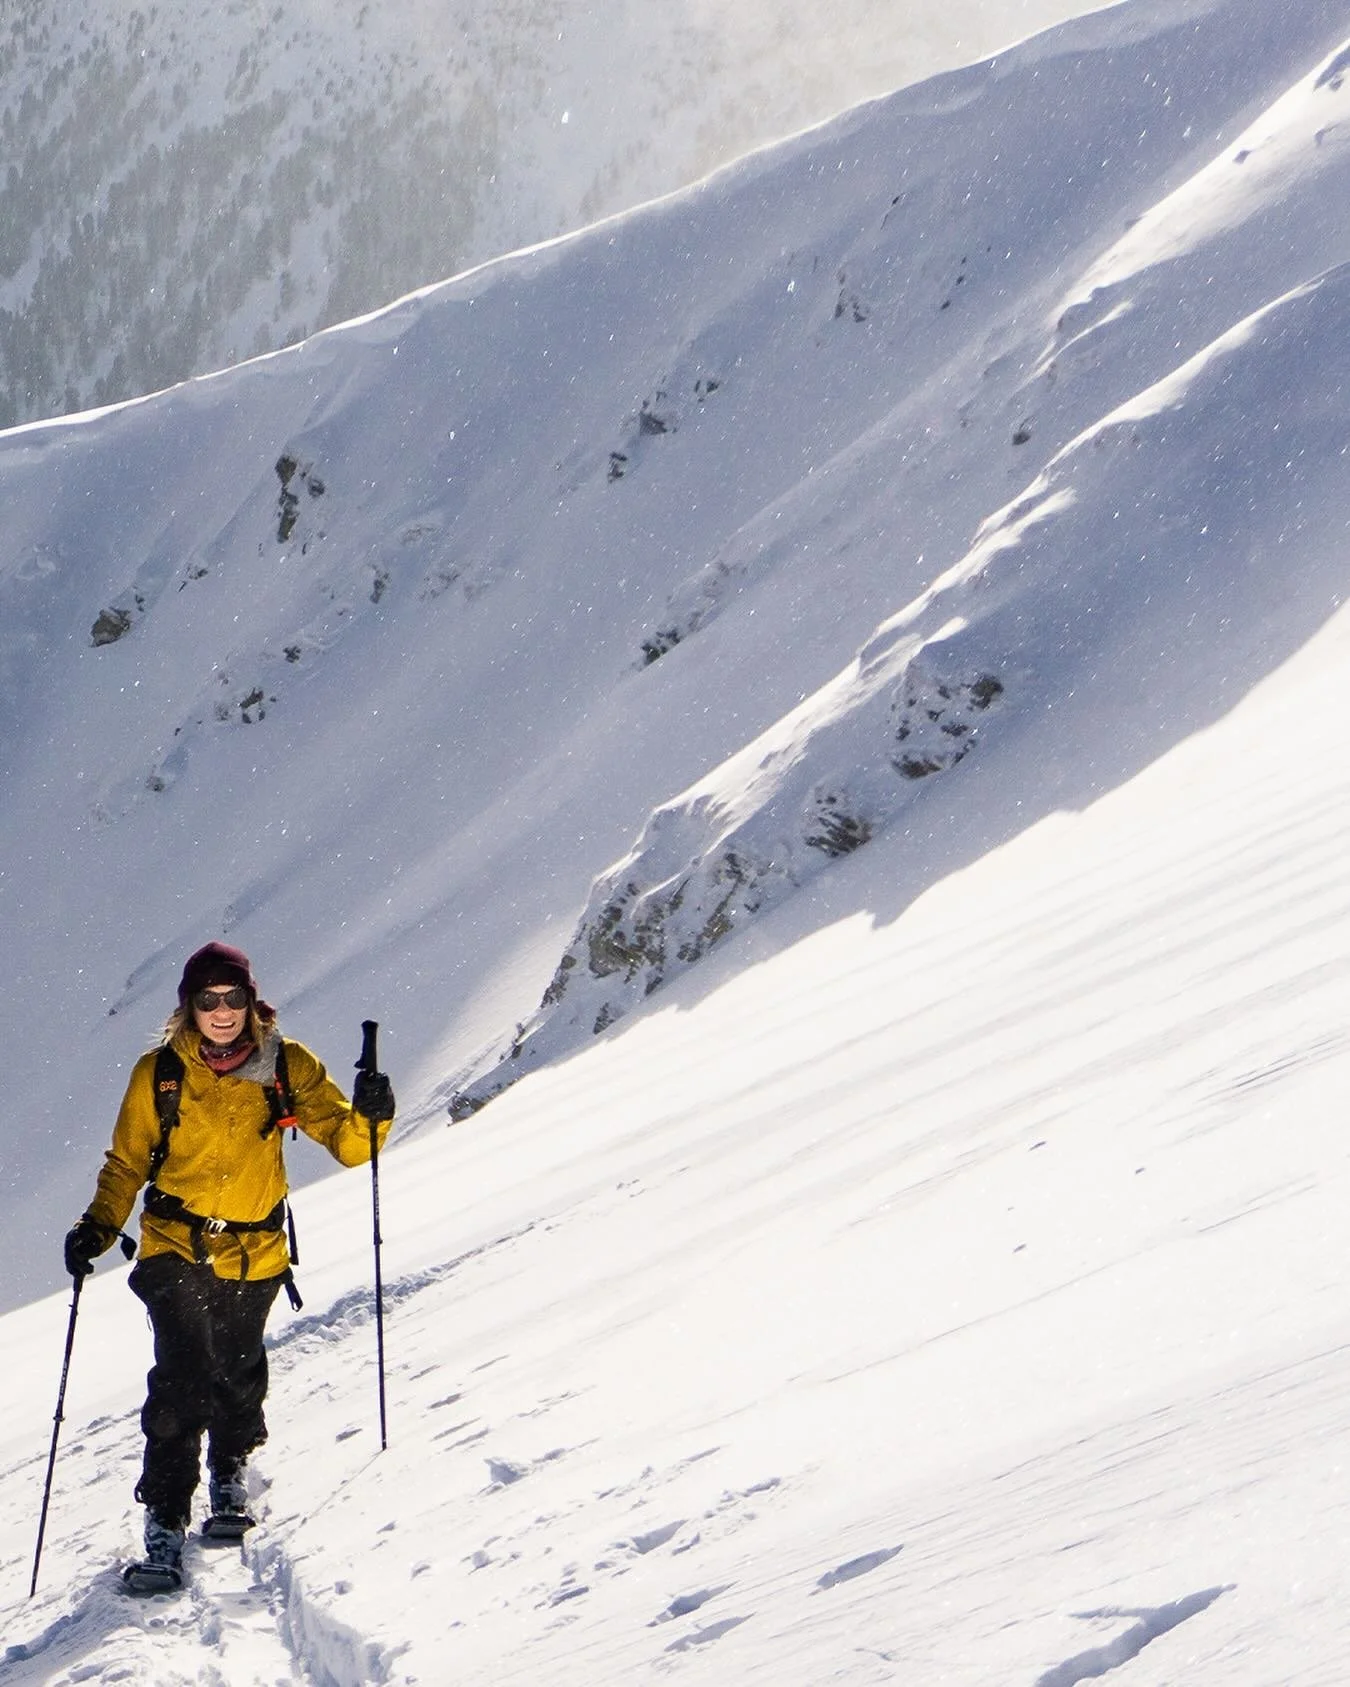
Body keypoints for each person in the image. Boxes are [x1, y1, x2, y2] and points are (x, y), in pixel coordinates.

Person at [63, 942, 395, 1584]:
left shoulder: (288, 1066)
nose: (221, 1012)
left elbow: (352, 1148)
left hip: (257, 1250)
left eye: (232, 998)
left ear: (251, 1002)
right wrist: (98, 1226)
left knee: (238, 1369)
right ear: (189, 1007)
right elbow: (127, 1160)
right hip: (173, 1246)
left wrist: (374, 1115)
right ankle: (164, 1522)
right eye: (208, 1000)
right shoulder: (159, 1073)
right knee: (183, 1377)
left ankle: (229, 1472)